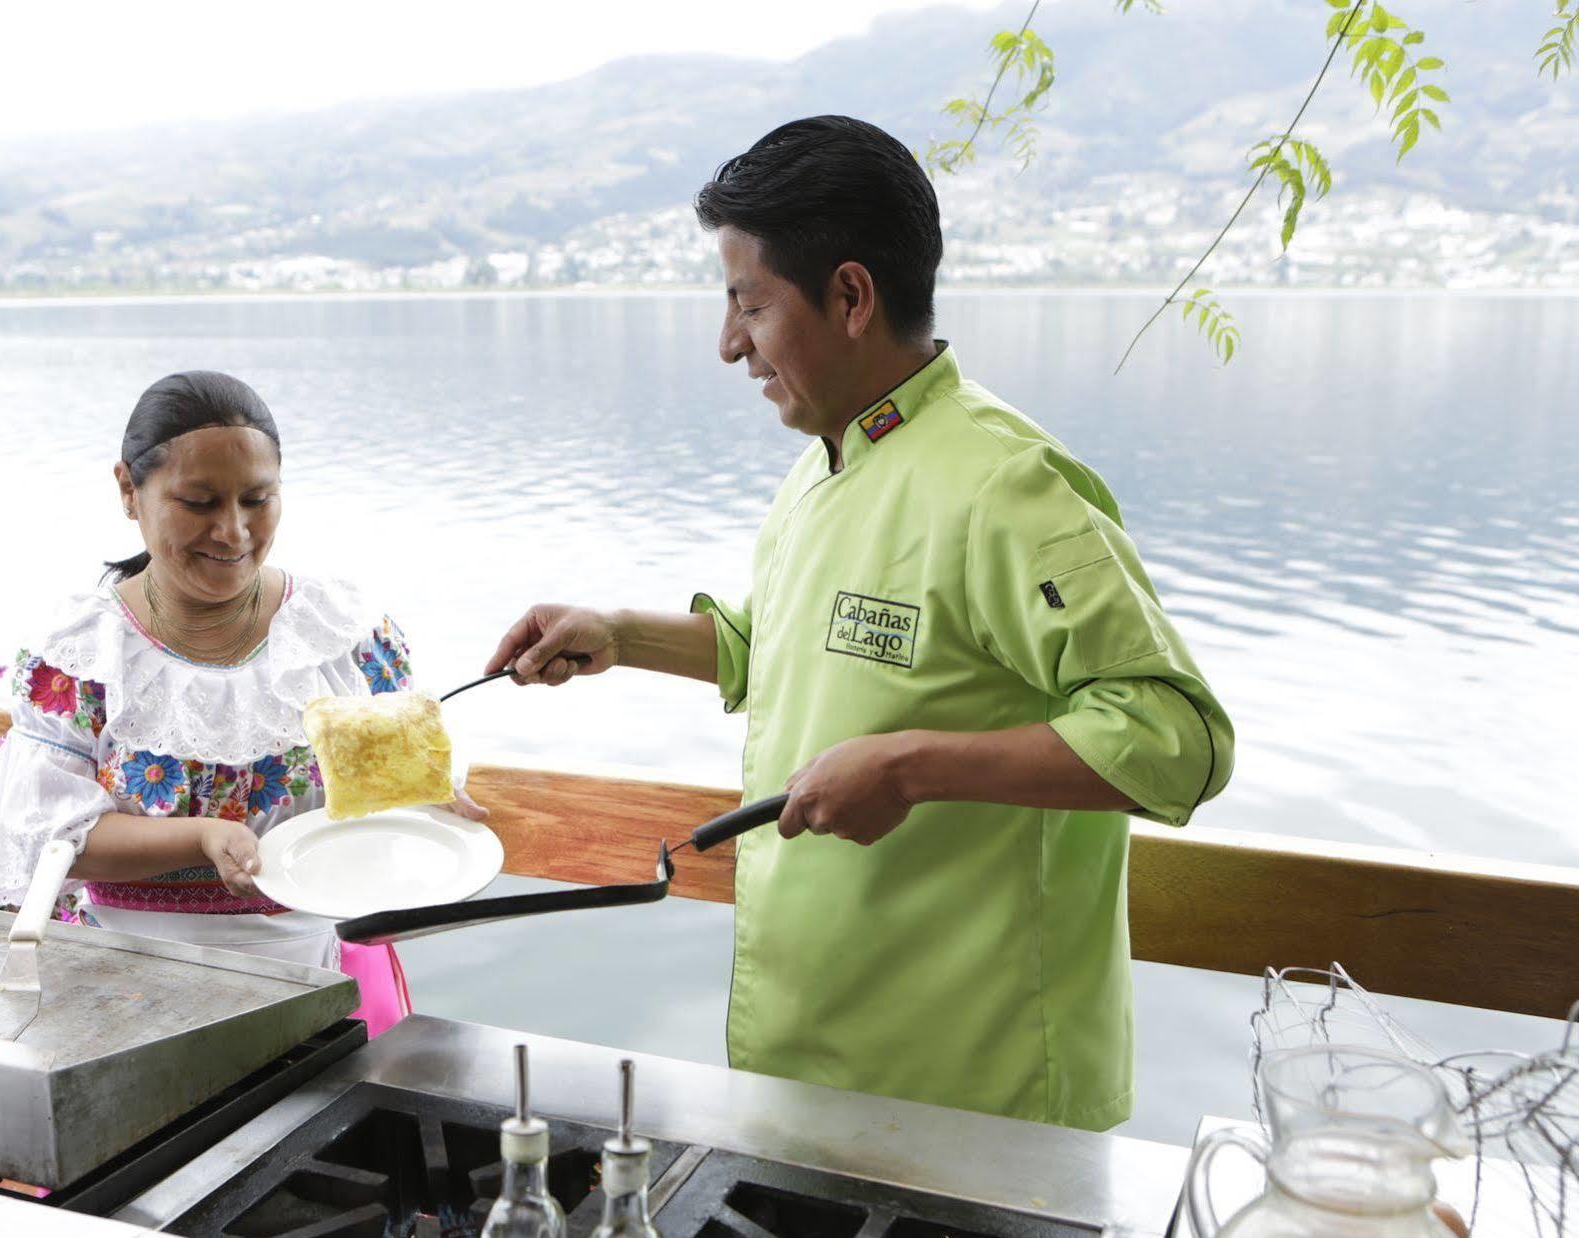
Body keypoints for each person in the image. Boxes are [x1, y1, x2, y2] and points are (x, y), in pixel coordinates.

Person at [485, 117, 1234, 1130]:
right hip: (811, 1064)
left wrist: (913, 766)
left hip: (973, 1093)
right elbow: (798, 651)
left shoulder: (1006, 488)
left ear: (849, 296)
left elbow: (1175, 739)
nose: (727, 344)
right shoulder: (823, 464)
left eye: (749, 303)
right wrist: (621, 632)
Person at [0, 370, 483, 1035]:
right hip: (135, 986)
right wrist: (200, 836)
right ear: (129, 490)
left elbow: (393, 782)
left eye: (257, 499)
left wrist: (432, 799)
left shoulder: (340, 633)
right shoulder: (80, 657)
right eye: (199, 501)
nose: (234, 531)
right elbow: (48, 839)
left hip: (330, 970)